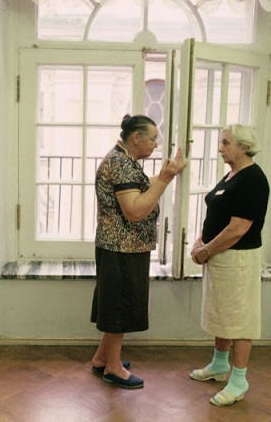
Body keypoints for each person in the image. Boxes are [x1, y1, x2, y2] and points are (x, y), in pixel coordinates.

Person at [90, 114, 187, 389]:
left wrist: (167, 174)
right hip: (122, 247)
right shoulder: (121, 163)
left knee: (116, 304)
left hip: (122, 246)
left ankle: (101, 358)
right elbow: (134, 211)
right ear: (136, 138)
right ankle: (113, 367)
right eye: (153, 138)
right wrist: (165, 179)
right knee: (120, 307)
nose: (156, 145)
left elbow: (139, 188)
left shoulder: (123, 160)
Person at [189, 124, 270, 406]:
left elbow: (238, 228)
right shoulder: (232, 175)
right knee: (222, 316)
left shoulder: (253, 180)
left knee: (239, 321)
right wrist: (200, 242)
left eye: (225, 143)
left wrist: (206, 250)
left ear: (244, 147)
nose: (220, 148)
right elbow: (217, 213)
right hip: (219, 257)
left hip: (237, 259)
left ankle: (238, 381)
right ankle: (219, 364)